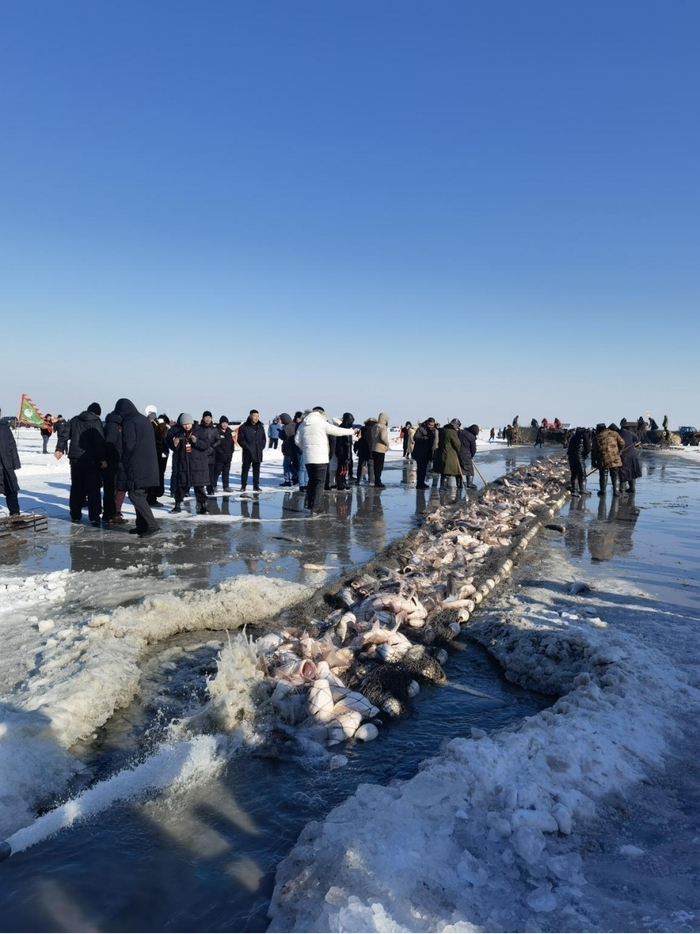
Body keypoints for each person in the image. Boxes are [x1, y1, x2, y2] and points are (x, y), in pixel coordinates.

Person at [114, 398, 161, 537]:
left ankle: (152, 525)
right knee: (140, 494)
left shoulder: (129, 421)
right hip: (149, 463)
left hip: (137, 464)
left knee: (135, 494)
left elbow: (129, 444)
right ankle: (141, 525)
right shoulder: (143, 419)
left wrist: (124, 460)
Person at [294, 407, 355, 514]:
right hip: (320, 458)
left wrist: (306, 449)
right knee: (319, 483)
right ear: (321, 414)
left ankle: (309, 503)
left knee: (312, 480)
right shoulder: (321, 423)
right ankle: (316, 508)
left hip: (308, 458)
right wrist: (351, 431)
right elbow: (336, 431)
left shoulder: (303, 424)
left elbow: (297, 440)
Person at [55, 402, 106, 525]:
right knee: (93, 489)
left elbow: (64, 435)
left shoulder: (75, 420)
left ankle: (75, 515)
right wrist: (103, 459)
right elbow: (99, 442)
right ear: (97, 414)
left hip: (75, 459)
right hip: (92, 460)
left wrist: (59, 448)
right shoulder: (96, 422)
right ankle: (94, 517)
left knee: (76, 488)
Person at [167, 413, 211, 513]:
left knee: (199, 486)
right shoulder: (178, 433)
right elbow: (174, 448)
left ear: (192, 423)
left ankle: (203, 506)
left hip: (197, 464)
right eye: (184, 424)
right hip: (183, 464)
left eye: (188, 424)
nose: (187, 426)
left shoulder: (200, 431)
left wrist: (196, 441)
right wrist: (175, 444)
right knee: (181, 486)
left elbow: (206, 444)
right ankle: (177, 505)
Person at [102, 409, 128, 524]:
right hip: (115, 463)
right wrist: (116, 458)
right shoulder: (113, 426)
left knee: (112, 489)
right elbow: (110, 444)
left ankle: (111, 513)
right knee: (115, 488)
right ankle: (112, 514)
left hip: (114, 462)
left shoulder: (111, 425)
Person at [591, 423, 625, 496]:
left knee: (603, 474)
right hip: (615, 458)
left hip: (603, 459)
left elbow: (594, 451)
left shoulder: (597, 437)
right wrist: (619, 452)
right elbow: (622, 443)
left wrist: (593, 461)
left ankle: (603, 490)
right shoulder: (615, 434)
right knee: (615, 475)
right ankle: (616, 491)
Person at [238, 409, 266, 492]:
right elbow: (241, 440)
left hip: (257, 452)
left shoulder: (260, 426)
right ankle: (243, 486)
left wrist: (261, 447)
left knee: (256, 470)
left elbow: (263, 439)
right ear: (250, 416)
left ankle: (256, 486)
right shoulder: (244, 427)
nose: (256, 418)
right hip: (248, 452)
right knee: (245, 470)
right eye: (254, 416)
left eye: (257, 416)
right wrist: (248, 447)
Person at [147, 414, 171, 507]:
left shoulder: (161, 430)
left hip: (160, 455)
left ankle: (153, 496)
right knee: (155, 476)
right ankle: (151, 498)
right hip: (155, 456)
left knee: (159, 474)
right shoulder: (153, 430)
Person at [0, 417, 21, 516]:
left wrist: (15, 463)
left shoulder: (5, 429)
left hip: (6, 465)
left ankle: (15, 514)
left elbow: (12, 446)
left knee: (11, 490)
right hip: (5, 465)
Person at [433, 419, 462, 489]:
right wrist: (458, 449)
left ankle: (442, 485)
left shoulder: (443, 430)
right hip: (449, 453)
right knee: (447, 470)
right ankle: (443, 486)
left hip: (442, 452)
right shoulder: (452, 432)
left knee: (444, 471)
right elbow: (457, 444)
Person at [411, 418, 437, 489]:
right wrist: (423, 438)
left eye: (432, 425)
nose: (431, 426)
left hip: (427, 452)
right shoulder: (421, 429)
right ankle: (419, 483)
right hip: (420, 452)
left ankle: (422, 482)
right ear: (427, 423)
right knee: (420, 468)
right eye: (430, 425)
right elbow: (415, 438)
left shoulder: (432, 430)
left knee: (424, 468)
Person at [618, 420, 642, 494]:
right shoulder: (631, 433)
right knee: (632, 472)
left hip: (623, 455)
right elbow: (638, 441)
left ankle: (621, 488)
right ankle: (632, 488)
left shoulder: (618, 434)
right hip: (632, 455)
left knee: (623, 472)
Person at [199, 411, 220, 494]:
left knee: (211, 473)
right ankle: (200, 488)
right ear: (203, 418)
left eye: (209, 418)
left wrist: (212, 447)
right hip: (201, 454)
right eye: (206, 417)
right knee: (201, 473)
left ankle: (210, 489)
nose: (208, 419)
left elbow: (218, 440)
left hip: (211, 454)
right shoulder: (199, 428)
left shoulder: (214, 429)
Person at [566, 426, 591, 496]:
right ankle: (583, 490)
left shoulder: (573, 437)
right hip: (579, 456)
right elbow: (588, 447)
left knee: (574, 474)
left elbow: (569, 448)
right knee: (582, 473)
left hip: (571, 457)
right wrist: (585, 455)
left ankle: (574, 490)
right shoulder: (584, 436)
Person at [214, 416, 235, 492]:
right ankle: (213, 486)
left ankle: (226, 486)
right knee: (216, 472)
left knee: (226, 472)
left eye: (226, 423)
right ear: (220, 423)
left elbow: (232, 443)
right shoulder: (217, 431)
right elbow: (216, 445)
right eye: (223, 423)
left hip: (228, 456)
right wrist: (220, 452)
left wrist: (231, 451)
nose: (225, 425)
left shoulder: (230, 432)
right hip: (219, 457)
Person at [334, 413, 355, 490]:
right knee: (341, 468)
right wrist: (348, 455)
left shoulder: (345, 428)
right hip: (342, 452)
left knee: (344, 468)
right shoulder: (344, 428)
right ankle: (340, 483)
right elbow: (346, 443)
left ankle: (343, 482)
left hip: (344, 451)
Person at [371, 412, 390, 488]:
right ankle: (378, 481)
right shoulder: (383, 427)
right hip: (381, 448)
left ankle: (376, 480)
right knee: (379, 466)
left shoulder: (374, 427)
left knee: (375, 466)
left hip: (374, 447)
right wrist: (387, 444)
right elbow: (383, 438)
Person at [355, 417, 376, 485]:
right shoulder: (375, 429)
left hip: (362, 450)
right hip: (371, 450)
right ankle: (371, 481)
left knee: (360, 465)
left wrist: (355, 448)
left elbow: (358, 439)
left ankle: (358, 480)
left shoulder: (362, 429)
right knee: (371, 466)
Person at [458, 423, 479, 490]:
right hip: (466, 454)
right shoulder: (471, 436)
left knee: (459, 469)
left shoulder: (462, 432)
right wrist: (471, 455)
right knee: (469, 469)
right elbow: (473, 449)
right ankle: (469, 483)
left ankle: (459, 484)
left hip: (458, 453)